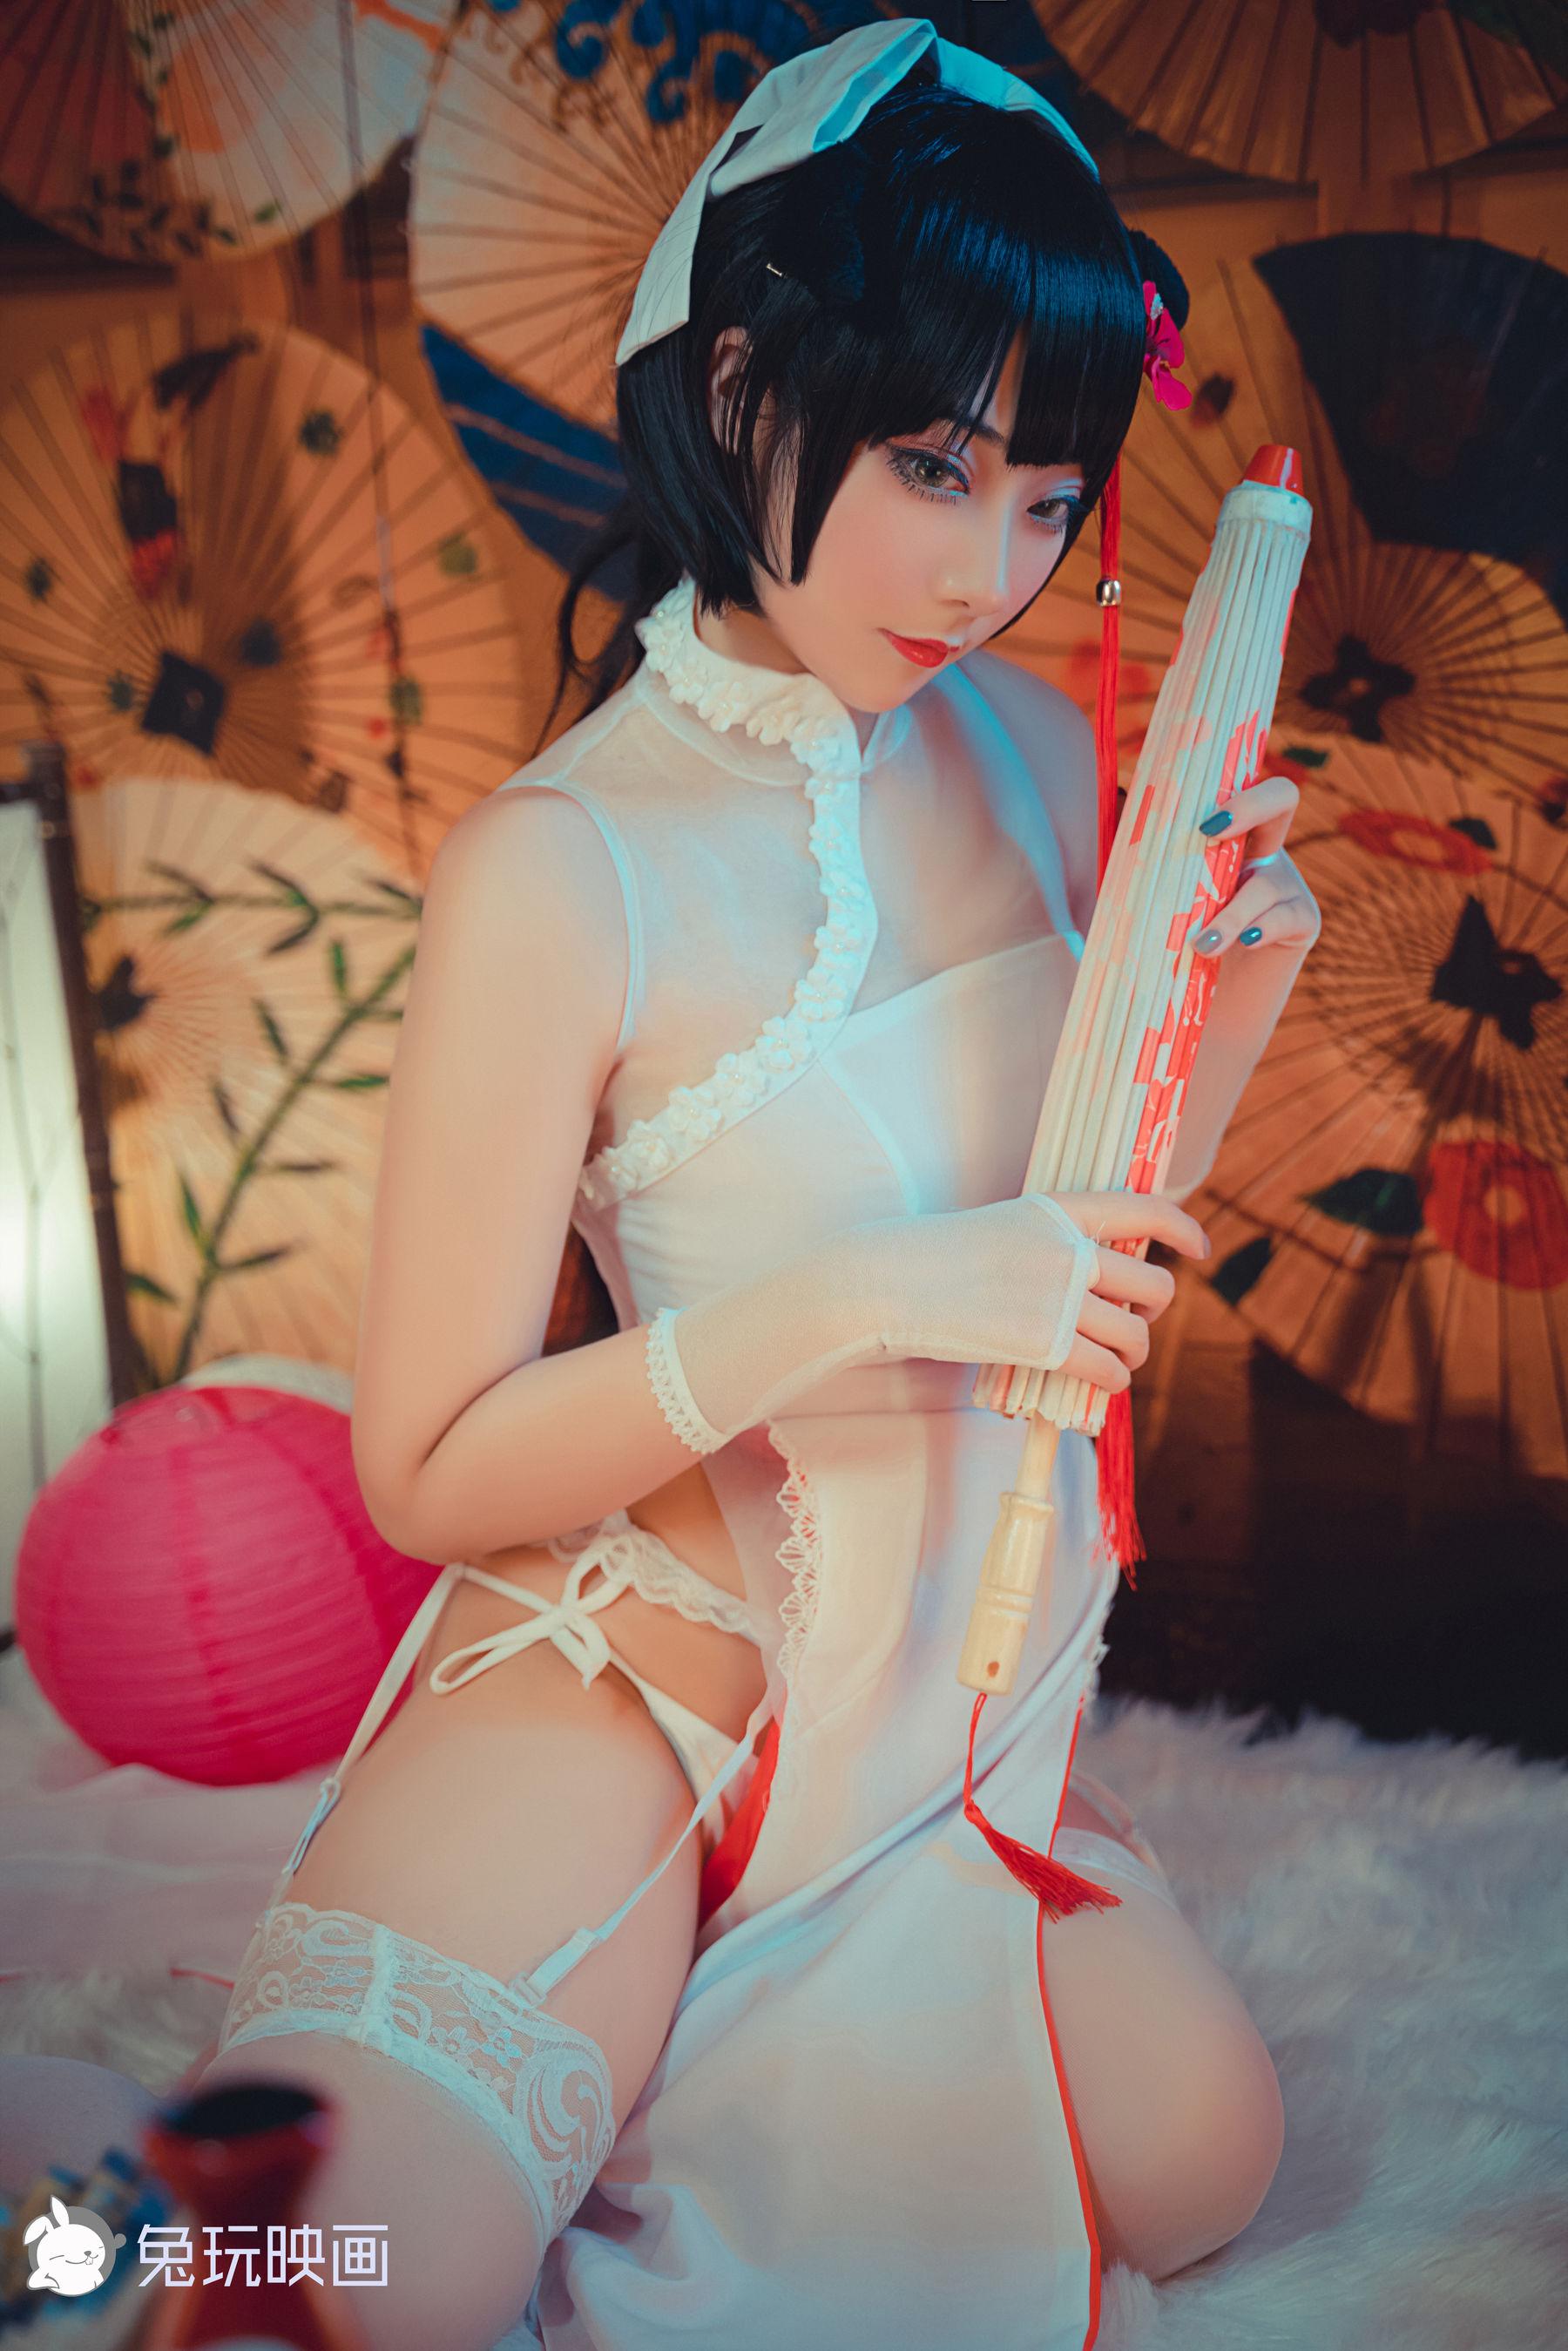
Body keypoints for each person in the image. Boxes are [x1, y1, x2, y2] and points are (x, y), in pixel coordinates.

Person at [176, 22, 1321, 2349]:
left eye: (1046, 496)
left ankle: (674, 2052)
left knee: (1203, 2159)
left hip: (936, 1713)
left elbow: (1079, 1272)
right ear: (736, 390)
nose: (987, 568)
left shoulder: (1035, 743)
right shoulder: (562, 862)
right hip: (628, 1682)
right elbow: (425, 1464)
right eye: (931, 465)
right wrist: (863, 1297)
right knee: (331, 2270)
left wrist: (1234, 991)